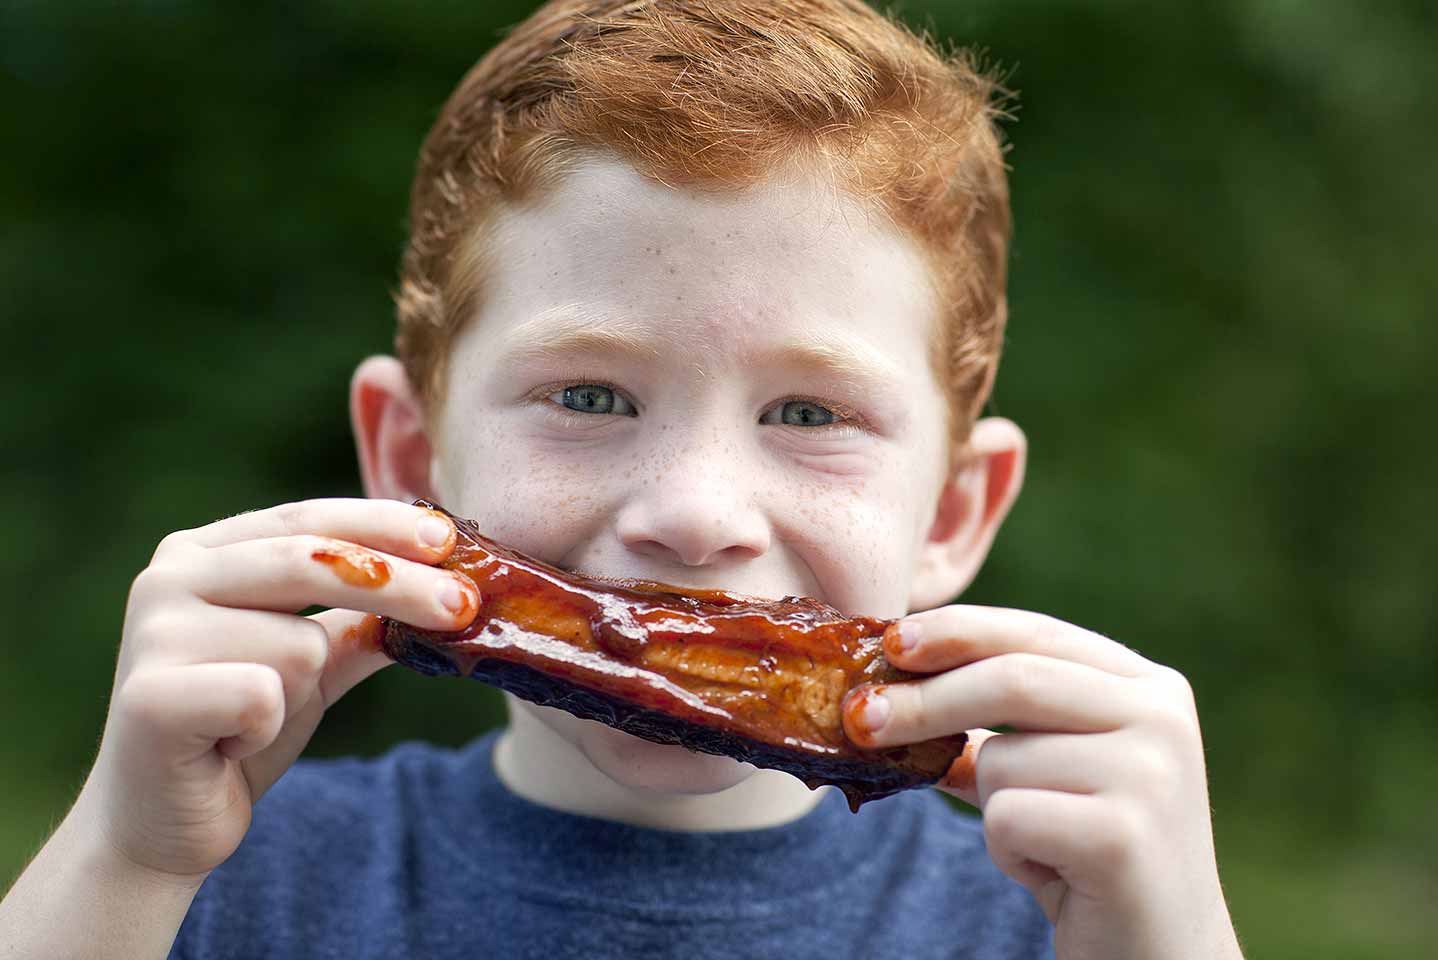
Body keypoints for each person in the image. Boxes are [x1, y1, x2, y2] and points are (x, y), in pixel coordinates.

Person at [0, 1, 1245, 957]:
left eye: (810, 412)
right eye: (589, 397)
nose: (694, 515)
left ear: (954, 511)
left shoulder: (1060, 926)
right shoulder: (219, 887)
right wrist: (121, 862)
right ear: (409, 457)